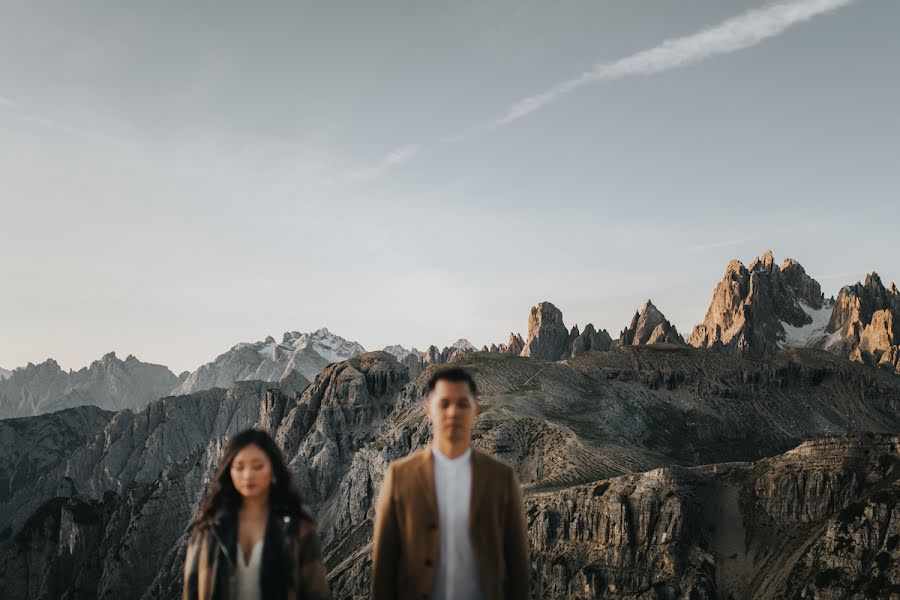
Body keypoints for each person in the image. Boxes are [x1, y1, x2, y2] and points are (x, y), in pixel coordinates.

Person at [370, 367, 531, 600]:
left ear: (476, 409)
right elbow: (384, 568)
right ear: (428, 410)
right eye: (444, 403)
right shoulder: (400, 476)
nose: (453, 412)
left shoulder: (501, 478)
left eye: (462, 404)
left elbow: (517, 568)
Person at [183, 428, 330, 600]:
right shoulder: (207, 529)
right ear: (229, 472)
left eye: (257, 466)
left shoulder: (299, 528)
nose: (248, 475)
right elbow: (191, 593)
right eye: (239, 467)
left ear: (273, 469)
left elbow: (316, 594)